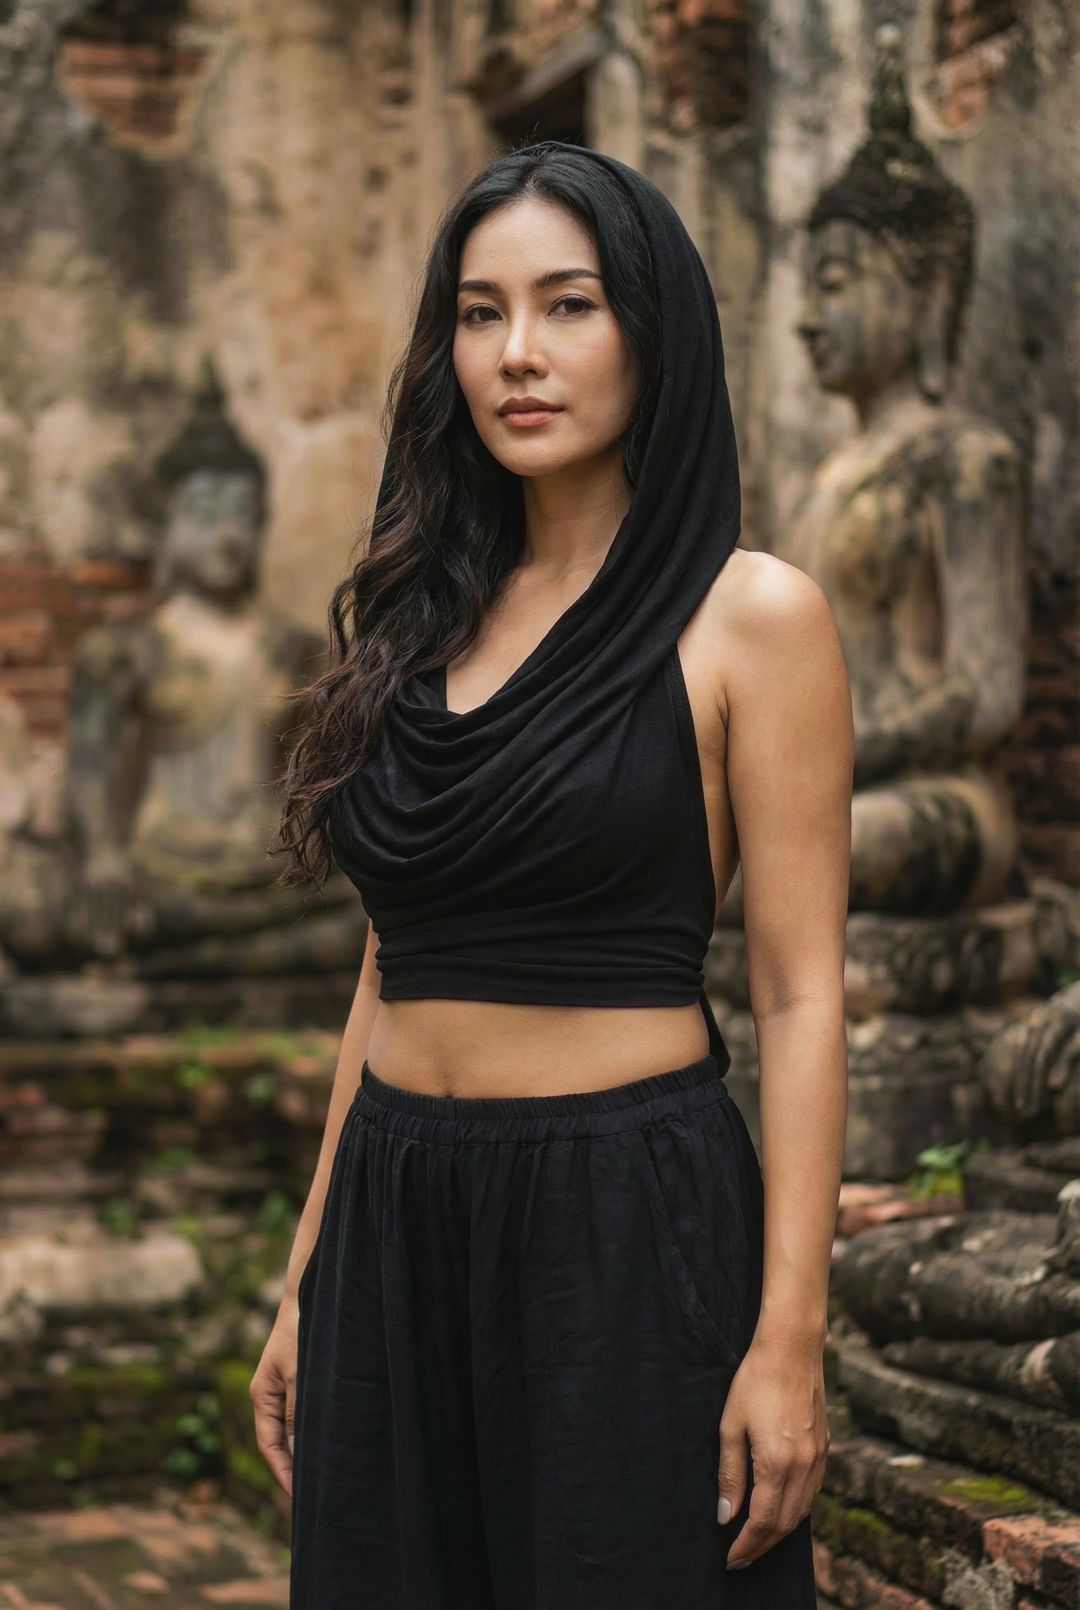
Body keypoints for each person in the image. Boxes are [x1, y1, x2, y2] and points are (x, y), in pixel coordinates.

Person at [251, 143, 851, 1609]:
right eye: (479, 311)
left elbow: (802, 988)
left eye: (568, 304)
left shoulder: (750, 619)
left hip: (623, 1223)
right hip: (397, 1209)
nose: (517, 353)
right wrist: (306, 1269)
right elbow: (393, 962)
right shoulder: (419, 614)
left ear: (653, 327)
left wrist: (789, 1334)